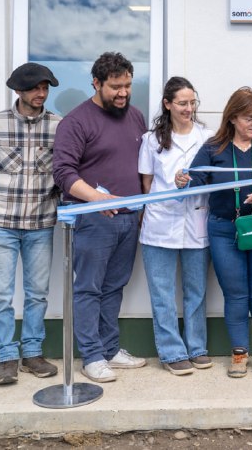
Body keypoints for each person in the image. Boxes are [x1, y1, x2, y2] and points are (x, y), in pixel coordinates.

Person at [178, 87, 252, 378]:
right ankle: (239, 353)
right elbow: (196, 183)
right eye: (248, 118)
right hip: (223, 230)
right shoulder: (213, 148)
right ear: (232, 118)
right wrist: (183, 181)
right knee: (236, 295)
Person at [53, 52, 148, 383]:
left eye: (127, 86)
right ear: (96, 83)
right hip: (93, 221)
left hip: (128, 219)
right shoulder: (76, 122)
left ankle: (109, 350)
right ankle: (91, 356)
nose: (122, 93)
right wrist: (96, 200)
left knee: (114, 287)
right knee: (89, 288)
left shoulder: (136, 117)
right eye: (115, 87)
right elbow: (63, 172)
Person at [0, 62, 61, 385]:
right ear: (18, 90)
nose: (42, 93)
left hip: (41, 223)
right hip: (0, 223)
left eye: (46, 87)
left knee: (37, 293)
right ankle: (6, 356)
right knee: (1, 294)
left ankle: (32, 353)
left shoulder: (58, 126)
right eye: (35, 87)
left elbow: (63, 177)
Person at [138, 77, 213, 376]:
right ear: (167, 104)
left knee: (196, 291)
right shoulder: (151, 140)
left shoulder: (208, 137)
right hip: (159, 224)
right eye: (182, 103)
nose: (189, 108)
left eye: (192, 102)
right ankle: (171, 352)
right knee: (163, 292)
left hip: (196, 221)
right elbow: (146, 182)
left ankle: (197, 348)